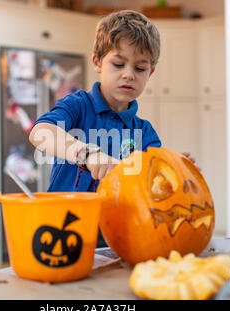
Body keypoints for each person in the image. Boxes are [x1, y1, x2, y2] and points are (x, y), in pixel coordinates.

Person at [29, 10, 196, 247]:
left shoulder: (144, 132)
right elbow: (41, 132)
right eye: (118, 64)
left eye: (140, 69)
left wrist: (174, 169)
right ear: (97, 62)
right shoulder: (77, 106)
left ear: (151, 72)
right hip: (63, 233)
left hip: (119, 240)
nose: (128, 75)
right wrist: (85, 153)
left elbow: (151, 183)